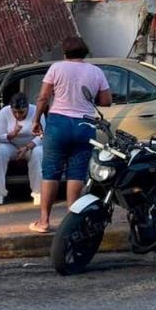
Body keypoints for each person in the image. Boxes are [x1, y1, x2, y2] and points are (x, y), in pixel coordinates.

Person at [30, 36, 111, 233]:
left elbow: (43, 97)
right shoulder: (96, 71)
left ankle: (44, 221)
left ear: (65, 53)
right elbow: (106, 100)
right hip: (84, 124)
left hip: (58, 123)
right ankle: (70, 222)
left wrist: (36, 120)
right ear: (85, 52)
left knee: (50, 171)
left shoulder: (56, 68)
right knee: (77, 173)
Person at [0, 93, 44, 206]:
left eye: (21, 112)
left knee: (38, 153)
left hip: (30, 145)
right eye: (14, 112)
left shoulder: (36, 111)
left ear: (27, 108)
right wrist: (12, 134)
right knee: (0, 152)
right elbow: (0, 137)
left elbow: (42, 136)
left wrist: (27, 147)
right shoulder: (4, 112)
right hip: (11, 144)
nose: (17, 115)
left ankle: (37, 192)